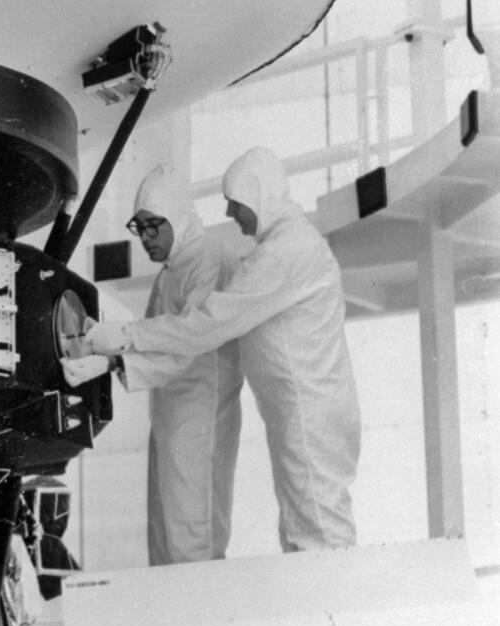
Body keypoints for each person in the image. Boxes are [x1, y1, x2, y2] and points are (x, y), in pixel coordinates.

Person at [83, 148, 361, 552]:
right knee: (301, 522)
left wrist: (124, 339)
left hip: (307, 406)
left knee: (315, 523)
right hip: (296, 406)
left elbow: (208, 325)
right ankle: (319, 606)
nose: (230, 214)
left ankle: (335, 612)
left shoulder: (285, 251)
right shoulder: (275, 246)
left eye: (235, 203)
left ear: (258, 196)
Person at [62, 164, 243, 565]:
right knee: (164, 535)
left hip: (200, 413)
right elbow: (153, 334)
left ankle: (199, 624)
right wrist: (105, 344)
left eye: (153, 226)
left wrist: (114, 358)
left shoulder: (208, 260)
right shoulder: (172, 270)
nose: (145, 238)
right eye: (139, 228)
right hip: (172, 412)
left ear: (178, 216)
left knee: (192, 535)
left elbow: (189, 341)